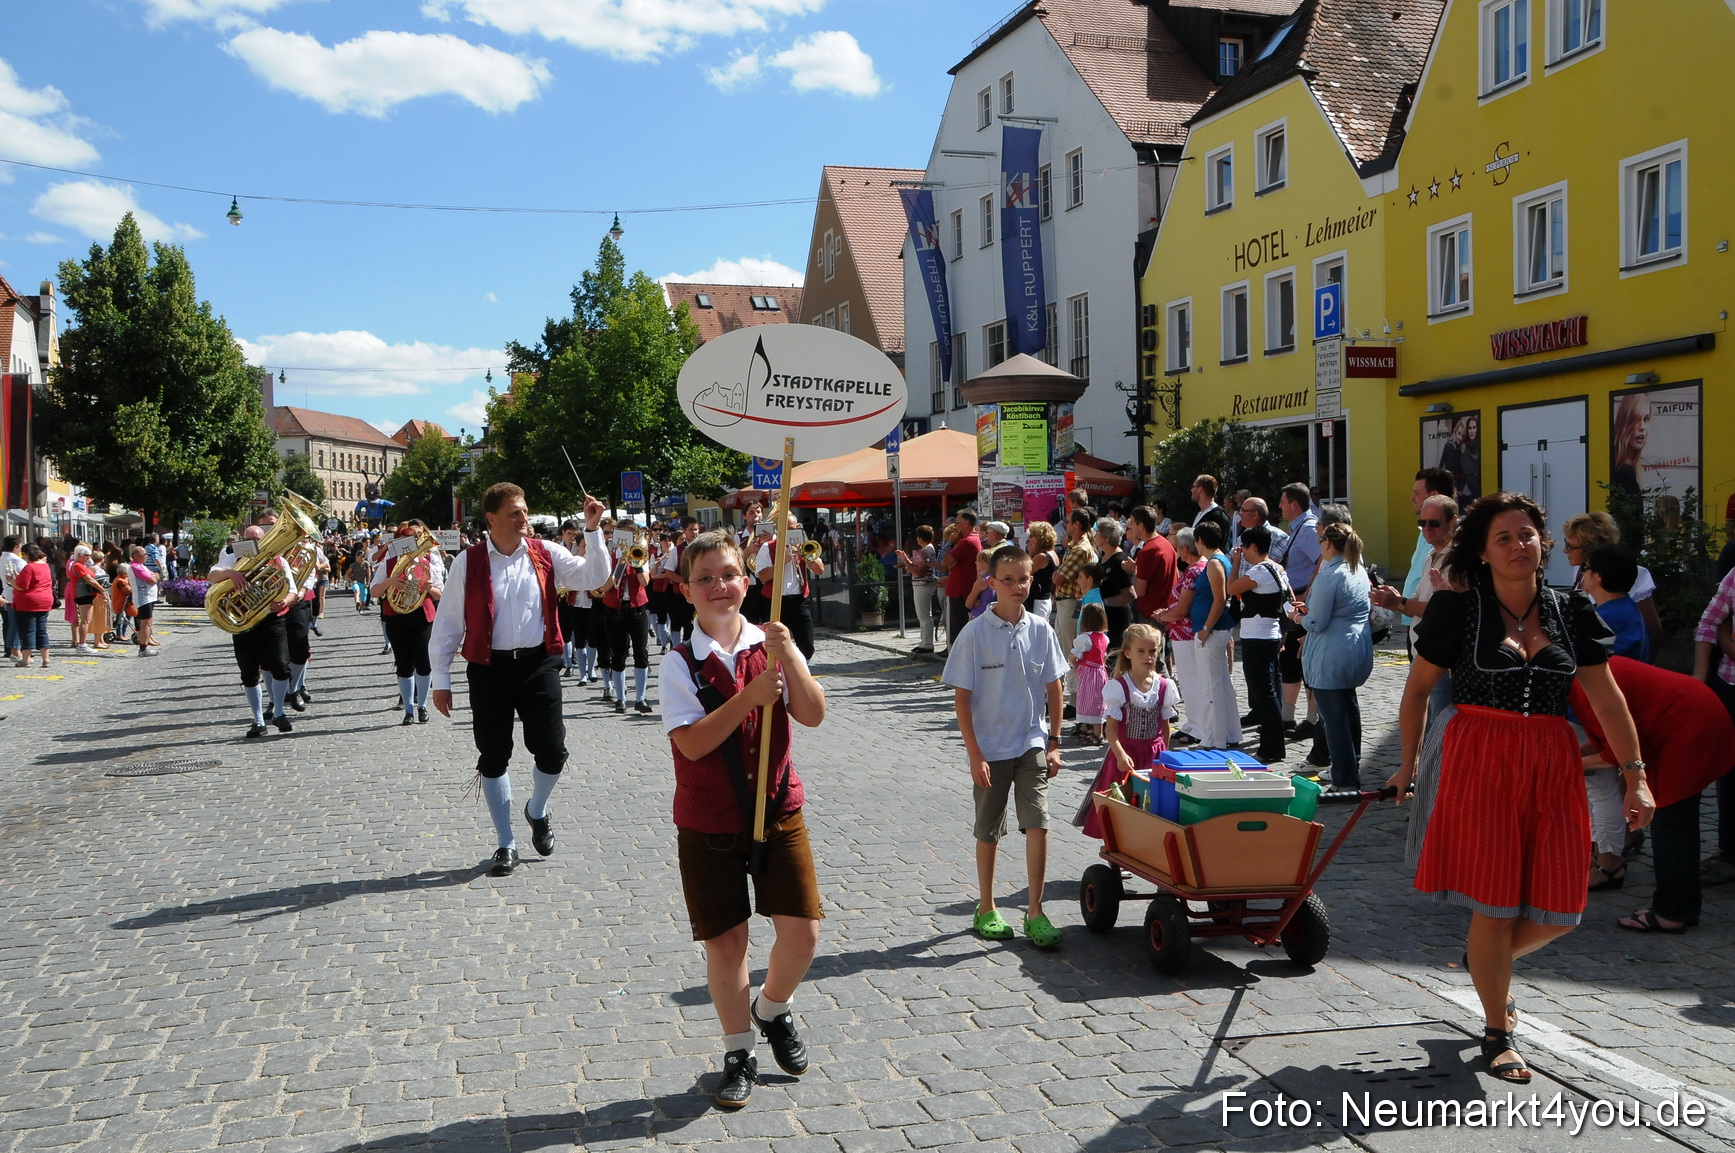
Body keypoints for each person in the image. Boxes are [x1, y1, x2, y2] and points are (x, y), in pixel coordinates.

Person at [1392, 491, 1652, 1085]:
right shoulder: (1457, 611)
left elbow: (1607, 700)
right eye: (1503, 538)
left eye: (1527, 535)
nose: (1518, 546)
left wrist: (1636, 778)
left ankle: (1489, 964)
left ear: (1545, 544)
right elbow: (1415, 692)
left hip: (1551, 762)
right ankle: (1497, 1030)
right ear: (1482, 552)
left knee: (1564, 904)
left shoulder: (1572, 610)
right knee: (1496, 902)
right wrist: (1406, 766)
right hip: (1480, 758)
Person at [661, 531, 826, 1110]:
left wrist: (788, 662)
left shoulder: (772, 641)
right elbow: (694, 744)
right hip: (709, 820)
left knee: (803, 934)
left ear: (747, 580)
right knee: (727, 946)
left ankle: (772, 1009)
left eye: (728, 574)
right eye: (704, 578)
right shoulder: (680, 662)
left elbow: (812, 714)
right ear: (686, 591)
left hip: (780, 808)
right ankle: (738, 1051)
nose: (719, 586)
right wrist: (749, 697)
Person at [428, 483, 610, 877]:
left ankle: (537, 810)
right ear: (492, 519)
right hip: (488, 668)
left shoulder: (545, 552)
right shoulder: (468, 562)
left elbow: (594, 576)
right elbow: (448, 623)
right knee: (493, 757)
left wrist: (592, 532)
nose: (524, 518)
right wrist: (440, 677)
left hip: (538, 663)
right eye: (515, 513)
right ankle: (505, 843)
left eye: (525, 511)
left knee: (552, 750)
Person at [943, 545, 1068, 949]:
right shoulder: (975, 633)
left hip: (1031, 741)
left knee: (1039, 823)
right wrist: (974, 754)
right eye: (1008, 579)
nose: (1017, 586)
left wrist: (1054, 741)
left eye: (1024, 579)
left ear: (1033, 580)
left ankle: (1035, 911)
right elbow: (962, 698)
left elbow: (1054, 687)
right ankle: (987, 906)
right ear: (991, 583)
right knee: (989, 830)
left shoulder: (1041, 629)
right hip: (991, 747)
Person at [1569, 658, 1734, 931]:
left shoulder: (1583, 688)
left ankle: (1673, 912)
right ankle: (1679, 906)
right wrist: (1574, 756)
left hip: (1690, 727)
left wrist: (1569, 764)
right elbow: (1607, 740)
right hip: (1693, 717)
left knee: (1669, 823)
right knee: (1677, 822)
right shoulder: (1586, 673)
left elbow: (1614, 754)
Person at [1287, 510, 1372, 787]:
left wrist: (1298, 617)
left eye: (1320, 539)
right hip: (1354, 646)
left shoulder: (1330, 574)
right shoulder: (1356, 568)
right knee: (1348, 711)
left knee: (1334, 719)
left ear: (1328, 543)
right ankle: (1350, 765)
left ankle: (1344, 776)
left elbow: (1317, 622)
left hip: (1332, 653)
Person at [1075, 623, 1176, 838]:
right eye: (1141, 651)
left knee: (1151, 805)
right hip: (1126, 755)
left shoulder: (1164, 686)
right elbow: (1111, 728)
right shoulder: (1119, 687)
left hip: (1153, 755)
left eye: (1152, 651)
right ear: (1128, 653)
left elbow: (1164, 725)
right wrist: (1120, 754)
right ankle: (1117, 852)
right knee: (1122, 805)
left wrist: (1164, 754)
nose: (1148, 656)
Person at [1372, 494, 1458, 722]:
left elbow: (1442, 611)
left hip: (1441, 657)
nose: (1427, 529)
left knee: (1439, 723)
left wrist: (1399, 602)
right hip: (1423, 650)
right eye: (1422, 523)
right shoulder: (1432, 556)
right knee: (1426, 719)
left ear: (1453, 521)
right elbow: (1415, 604)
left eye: (1434, 523)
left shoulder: (1457, 560)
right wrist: (1397, 599)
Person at [207, 525, 298, 736]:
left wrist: (283, 600)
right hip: (244, 622)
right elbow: (212, 575)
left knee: (281, 666)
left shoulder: (278, 560)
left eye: (256, 539)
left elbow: (292, 589)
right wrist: (231, 573)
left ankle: (279, 712)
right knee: (248, 673)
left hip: (271, 619)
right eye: (247, 539)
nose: (251, 543)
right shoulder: (232, 558)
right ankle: (258, 720)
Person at [1226, 525, 1293, 764]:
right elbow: (1288, 600)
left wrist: (1234, 564)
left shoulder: (1260, 571)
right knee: (1269, 691)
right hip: (1271, 634)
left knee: (1264, 693)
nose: (1241, 552)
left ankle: (1271, 748)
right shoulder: (1278, 568)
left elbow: (1231, 588)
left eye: (1243, 548)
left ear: (1254, 547)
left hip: (1259, 637)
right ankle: (1273, 744)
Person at [374, 522, 445, 724]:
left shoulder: (427, 562)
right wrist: (389, 582)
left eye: (413, 541)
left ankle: (422, 705)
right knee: (403, 664)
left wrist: (429, 587)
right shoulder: (388, 563)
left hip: (422, 617)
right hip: (397, 617)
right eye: (404, 541)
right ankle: (408, 709)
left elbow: (441, 593)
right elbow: (374, 592)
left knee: (424, 663)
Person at [1561, 512, 1663, 648]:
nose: (1564, 550)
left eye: (1569, 546)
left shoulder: (1632, 573)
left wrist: (1644, 668)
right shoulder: (1580, 570)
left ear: (1589, 549)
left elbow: (1653, 630)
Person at [1188, 521, 1241, 749]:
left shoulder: (1214, 563)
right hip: (1215, 629)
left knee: (1211, 687)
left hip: (1212, 630)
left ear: (1200, 541)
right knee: (1221, 685)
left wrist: (1206, 628)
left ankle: (1213, 738)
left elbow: (1220, 599)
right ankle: (1229, 734)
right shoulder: (1221, 559)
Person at [1274, 482, 1321, 735]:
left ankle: (1312, 720)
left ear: (1294, 504)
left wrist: (1306, 593)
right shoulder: (1298, 528)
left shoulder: (1309, 528)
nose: (1279, 506)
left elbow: (1322, 560)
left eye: (1282, 501)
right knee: (1290, 660)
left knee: (1305, 663)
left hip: (1303, 603)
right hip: (1295, 603)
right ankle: (1287, 718)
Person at [753, 514, 825, 661]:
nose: (789, 534)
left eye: (792, 530)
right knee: (776, 646)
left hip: (799, 601)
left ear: (798, 528)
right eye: (785, 531)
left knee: (807, 646)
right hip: (776, 602)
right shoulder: (768, 547)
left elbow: (819, 570)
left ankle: (801, 672)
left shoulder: (804, 545)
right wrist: (782, 560)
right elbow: (763, 577)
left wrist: (806, 556)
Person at [600, 531, 654, 714]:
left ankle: (641, 698)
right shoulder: (608, 558)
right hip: (614, 609)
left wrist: (637, 563)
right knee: (618, 654)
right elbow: (602, 588)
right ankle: (621, 699)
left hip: (637, 609)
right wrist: (619, 566)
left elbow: (645, 582)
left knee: (641, 652)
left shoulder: (641, 555)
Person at [1051, 510, 1097, 706]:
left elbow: (1057, 578)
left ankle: (1074, 700)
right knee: (1064, 648)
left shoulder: (1080, 549)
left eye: (1068, 522)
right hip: (1066, 602)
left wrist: (1056, 574)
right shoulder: (1076, 546)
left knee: (1070, 650)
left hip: (1071, 602)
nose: (1066, 526)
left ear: (1077, 525)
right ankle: (1071, 697)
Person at [1580, 545, 1650, 663]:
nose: (1582, 573)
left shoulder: (1604, 619)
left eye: (1584, 567)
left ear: (1598, 576)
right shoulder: (1628, 607)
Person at [1125, 506, 1177, 627]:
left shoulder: (1147, 551)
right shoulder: (1166, 543)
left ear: (1141, 525)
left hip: (1151, 615)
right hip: (1165, 611)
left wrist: (1134, 570)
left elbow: (1139, 591)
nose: (1130, 527)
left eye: (1132, 523)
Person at [896, 525, 944, 652]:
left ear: (919, 538)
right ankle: (924, 642)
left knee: (924, 615)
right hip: (922, 583)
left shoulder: (926, 551)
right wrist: (906, 562)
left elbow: (919, 571)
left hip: (923, 583)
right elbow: (916, 565)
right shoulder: (927, 549)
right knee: (923, 615)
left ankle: (927, 644)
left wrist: (905, 562)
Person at [1071, 603, 1110, 745]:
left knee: (1091, 701)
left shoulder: (1085, 639)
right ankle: (1090, 727)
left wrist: (1070, 664)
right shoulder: (1104, 638)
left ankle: (1097, 732)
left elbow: (1074, 655)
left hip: (1088, 674)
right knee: (1098, 700)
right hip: (1100, 672)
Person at [942, 510, 982, 647]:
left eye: (957, 523)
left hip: (960, 593)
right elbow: (950, 565)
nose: (955, 526)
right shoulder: (972, 539)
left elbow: (946, 561)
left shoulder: (967, 541)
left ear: (965, 524)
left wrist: (950, 543)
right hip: (961, 590)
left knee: (957, 631)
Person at [1093, 518, 1133, 651]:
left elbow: (1130, 594)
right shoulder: (1103, 557)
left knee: (1115, 658)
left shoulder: (1119, 561)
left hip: (1117, 620)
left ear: (1107, 538)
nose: (1095, 535)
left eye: (1098, 532)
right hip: (1105, 619)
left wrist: (1104, 602)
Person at [12, 544, 53, 669]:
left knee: (27, 631)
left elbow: (22, 586)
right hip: (45, 600)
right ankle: (46, 660)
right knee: (42, 630)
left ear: (27, 553)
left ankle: (26, 660)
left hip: (28, 602)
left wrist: (11, 580)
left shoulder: (29, 567)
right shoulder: (45, 566)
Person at [127, 546, 161, 656]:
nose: (147, 556)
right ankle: (143, 648)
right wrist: (155, 577)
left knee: (147, 622)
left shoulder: (142, 566)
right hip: (144, 597)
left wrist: (155, 576)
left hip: (149, 597)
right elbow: (152, 579)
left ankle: (144, 646)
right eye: (144, 554)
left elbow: (155, 575)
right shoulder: (136, 567)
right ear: (136, 556)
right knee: (146, 622)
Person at [1024, 521, 1058, 623]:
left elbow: (1025, 572)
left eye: (1032, 536)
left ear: (1040, 537)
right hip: (1044, 599)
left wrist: (1031, 552)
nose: (1029, 539)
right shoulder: (1052, 553)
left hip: (1038, 601)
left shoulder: (1041, 556)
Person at [1189, 474, 1233, 542]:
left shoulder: (1219, 516)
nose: (1191, 490)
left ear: (1200, 489)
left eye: (1193, 486)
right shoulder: (1199, 514)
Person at [0, 536, 22, 662]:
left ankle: (13, 650)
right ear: (16, 546)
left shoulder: (3, 558)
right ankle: (15, 650)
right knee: (15, 624)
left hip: (7, 593)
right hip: (12, 594)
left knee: (10, 623)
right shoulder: (14, 560)